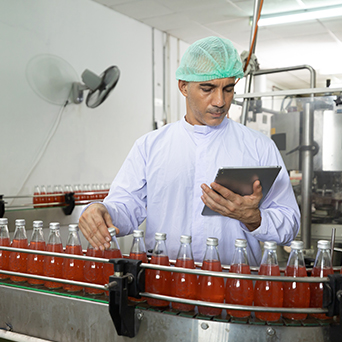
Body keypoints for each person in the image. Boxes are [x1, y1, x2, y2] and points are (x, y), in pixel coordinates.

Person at [79, 36, 300, 266]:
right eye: (208, 88)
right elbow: (125, 206)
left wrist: (255, 218)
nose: (220, 101)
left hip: (234, 284)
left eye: (228, 89)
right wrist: (101, 210)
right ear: (183, 86)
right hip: (165, 284)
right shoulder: (150, 146)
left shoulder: (258, 147)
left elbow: (289, 224)